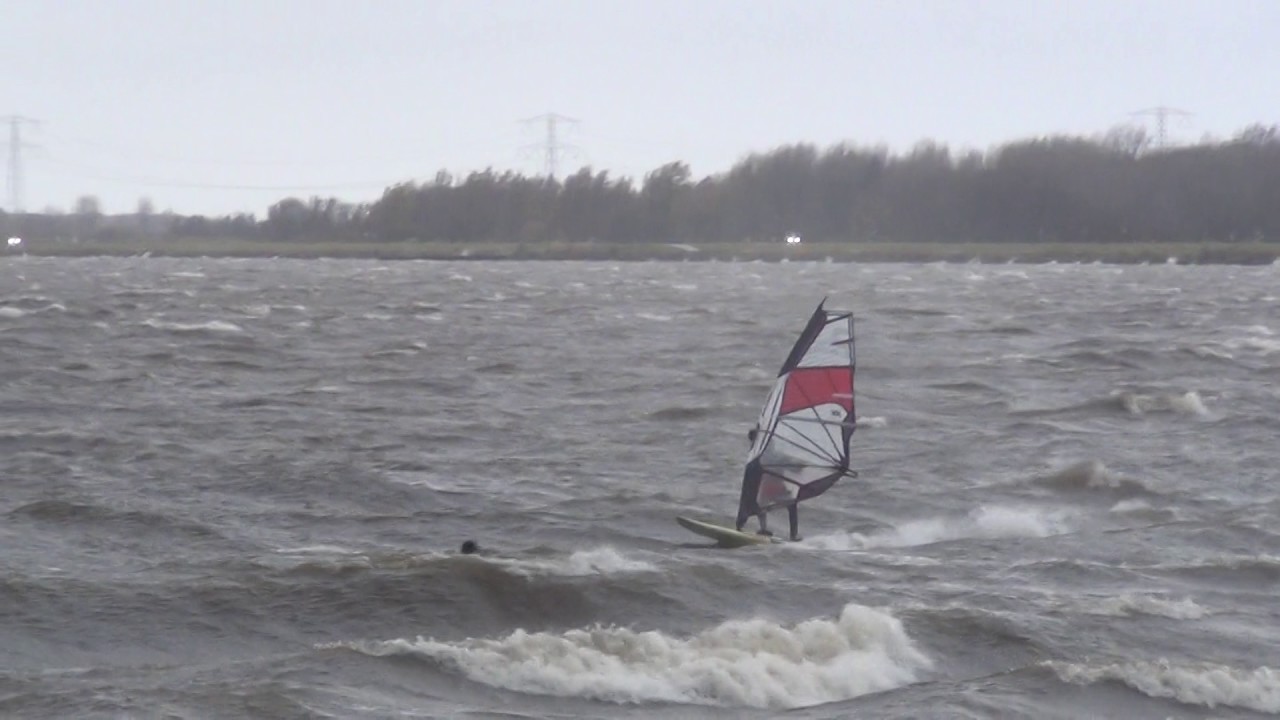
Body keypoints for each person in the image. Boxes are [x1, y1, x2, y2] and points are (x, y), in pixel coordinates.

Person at [738, 427, 802, 541]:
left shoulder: (765, 451)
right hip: (764, 490)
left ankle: (792, 534)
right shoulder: (756, 453)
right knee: (758, 505)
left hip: (774, 488)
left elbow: (787, 463)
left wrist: (797, 466)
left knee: (790, 505)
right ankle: (765, 530)